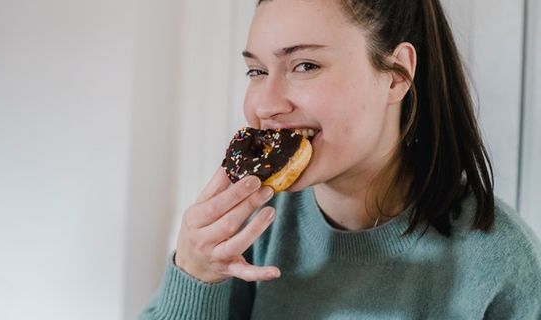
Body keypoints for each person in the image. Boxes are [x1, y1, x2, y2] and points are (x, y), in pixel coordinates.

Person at [141, 0, 541, 318]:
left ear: (396, 74)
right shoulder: (248, 228)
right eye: (257, 71)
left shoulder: (502, 264)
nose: (265, 104)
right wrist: (194, 275)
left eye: (305, 65)